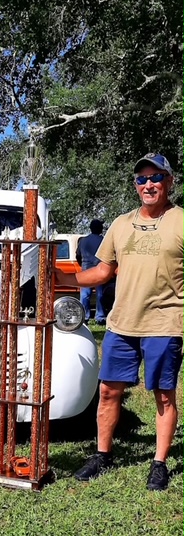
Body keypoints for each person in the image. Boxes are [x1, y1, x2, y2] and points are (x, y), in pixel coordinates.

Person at [55, 153, 184, 491]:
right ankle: (102, 454)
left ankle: (159, 463)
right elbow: (102, 271)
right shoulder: (121, 223)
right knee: (109, 391)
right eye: (142, 179)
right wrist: (62, 280)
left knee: (164, 395)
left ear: (169, 182)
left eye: (155, 177)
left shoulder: (181, 220)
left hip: (165, 323)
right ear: (135, 185)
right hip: (121, 324)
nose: (148, 184)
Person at [76, 219, 106, 324]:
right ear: (100, 229)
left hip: (86, 269)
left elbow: (78, 255)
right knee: (100, 294)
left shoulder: (83, 241)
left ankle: (84, 317)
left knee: (85, 294)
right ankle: (100, 317)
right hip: (100, 270)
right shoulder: (103, 240)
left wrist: (83, 265)